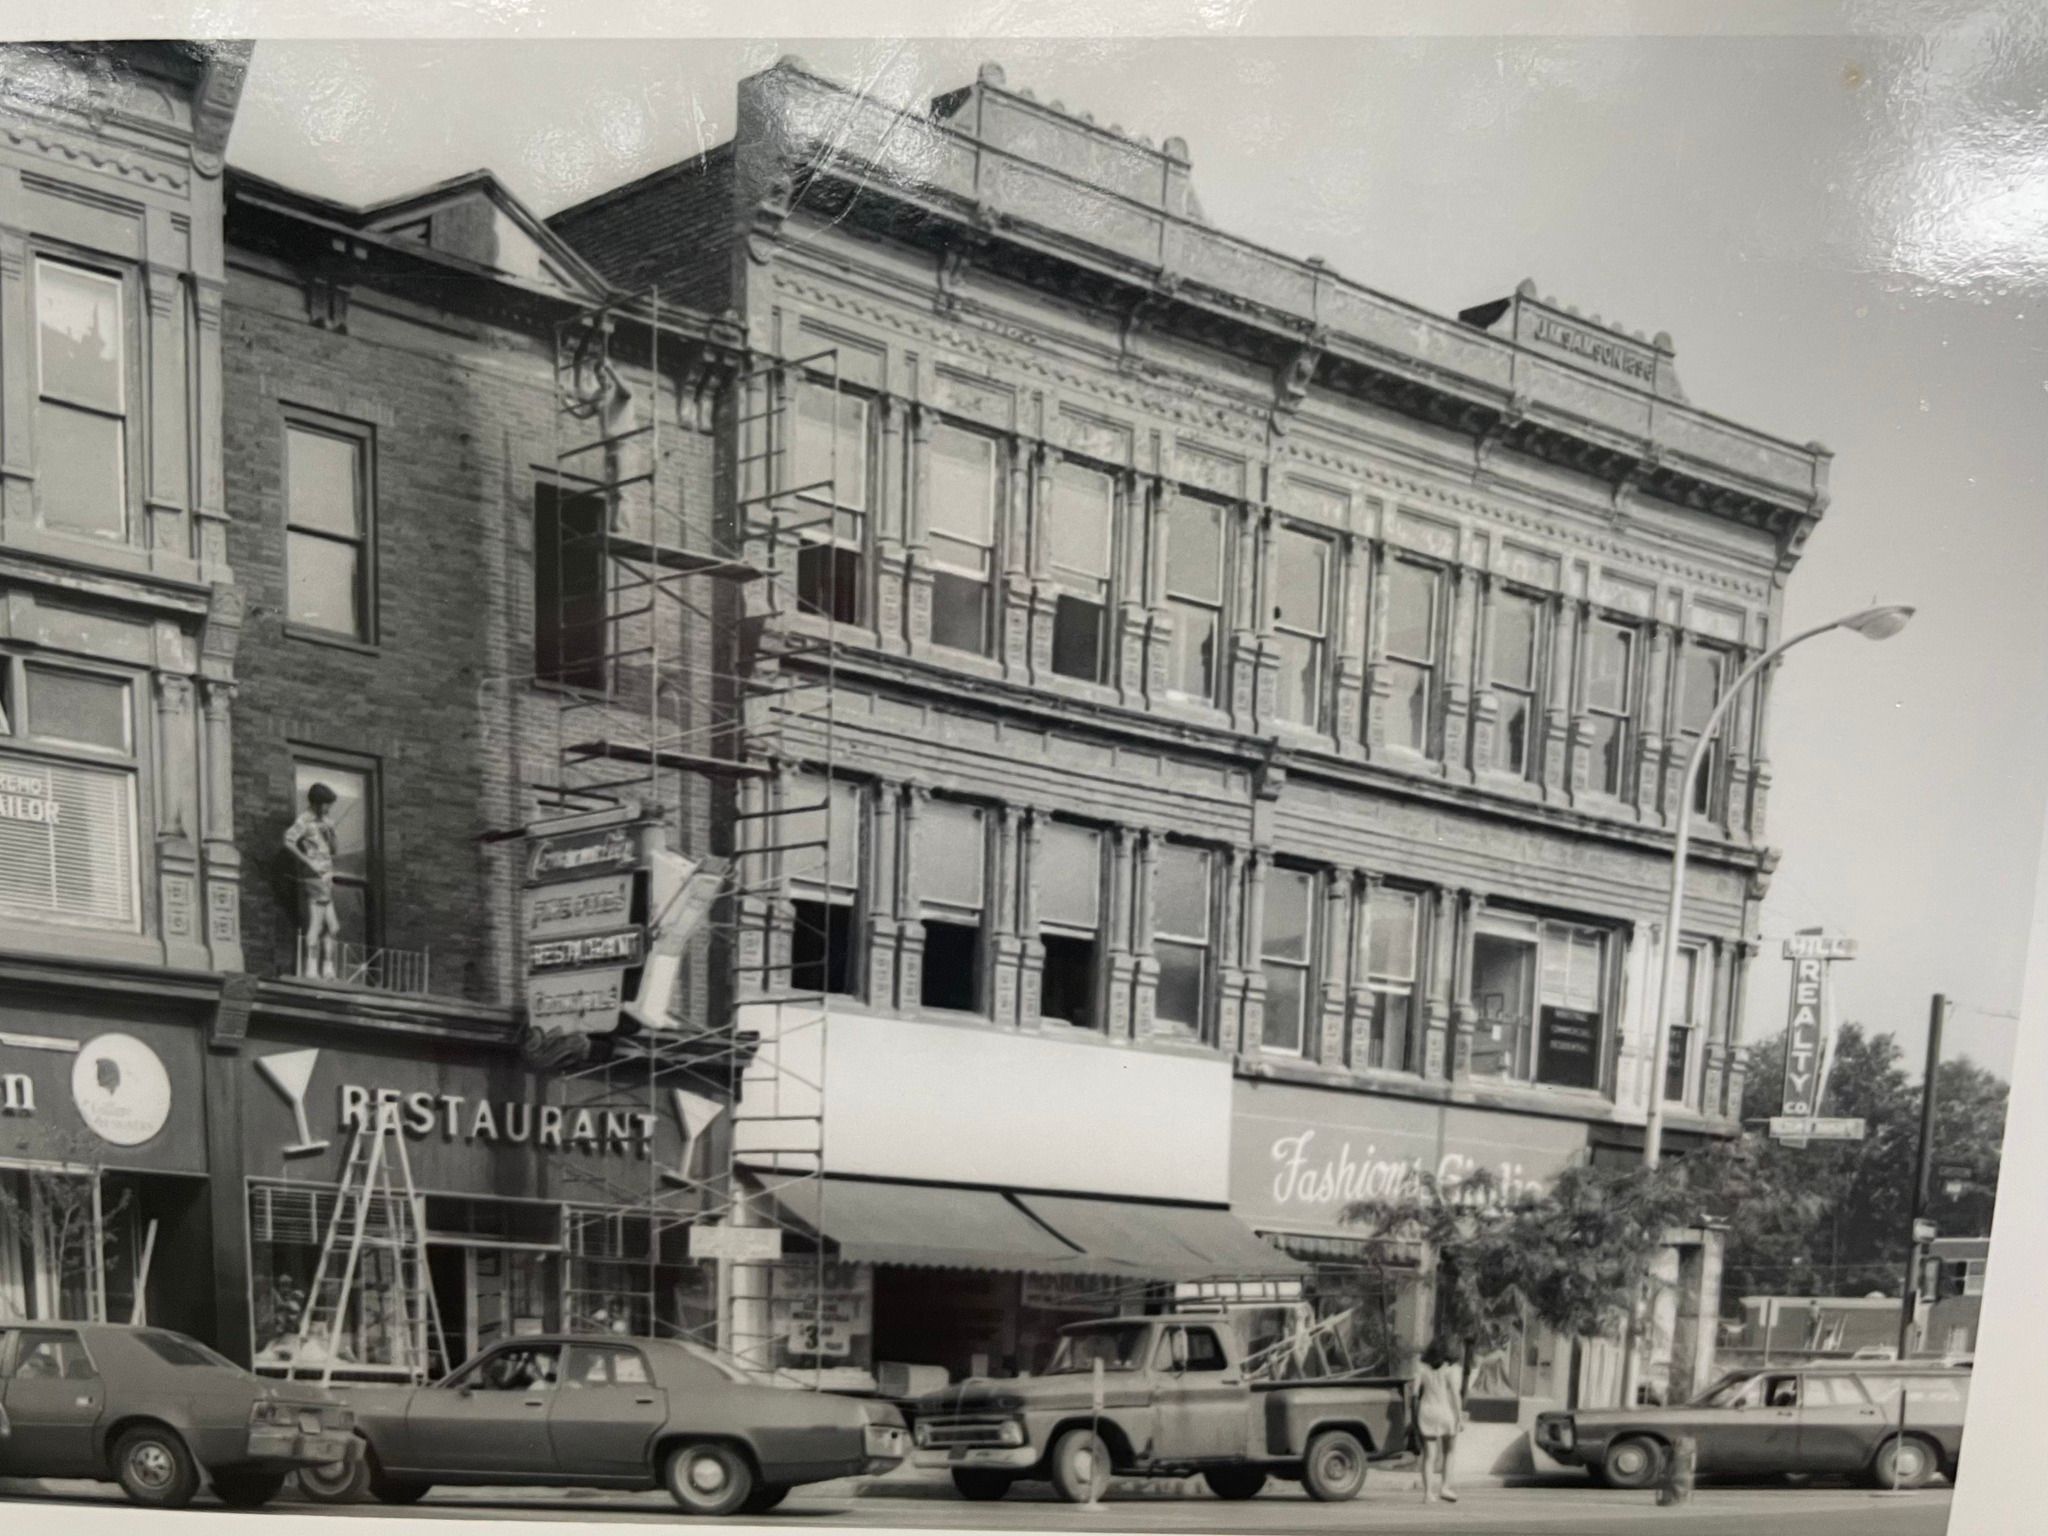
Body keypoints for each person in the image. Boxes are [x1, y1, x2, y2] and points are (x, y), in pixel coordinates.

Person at [284, 782, 342, 979]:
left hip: (326, 876)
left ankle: (324, 968)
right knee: (319, 923)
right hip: (314, 876)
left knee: (332, 927)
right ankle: (314, 968)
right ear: (317, 803)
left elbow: (334, 850)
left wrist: (331, 833)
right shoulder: (305, 820)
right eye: (326, 804)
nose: (328, 809)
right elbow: (289, 841)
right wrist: (307, 860)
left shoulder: (326, 822)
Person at [1408, 1336, 1468, 1504]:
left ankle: (1428, 1494)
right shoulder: (1451, 1369)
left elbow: (1414, 1394)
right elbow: (1455, 1395)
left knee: (1429, 1455)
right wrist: (1460, 1417)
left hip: (1427, 1411)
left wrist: (1413, 1417)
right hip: (1446, 1412)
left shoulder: (1421, 1368)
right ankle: (1445, 1487)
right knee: (1449, 1451)